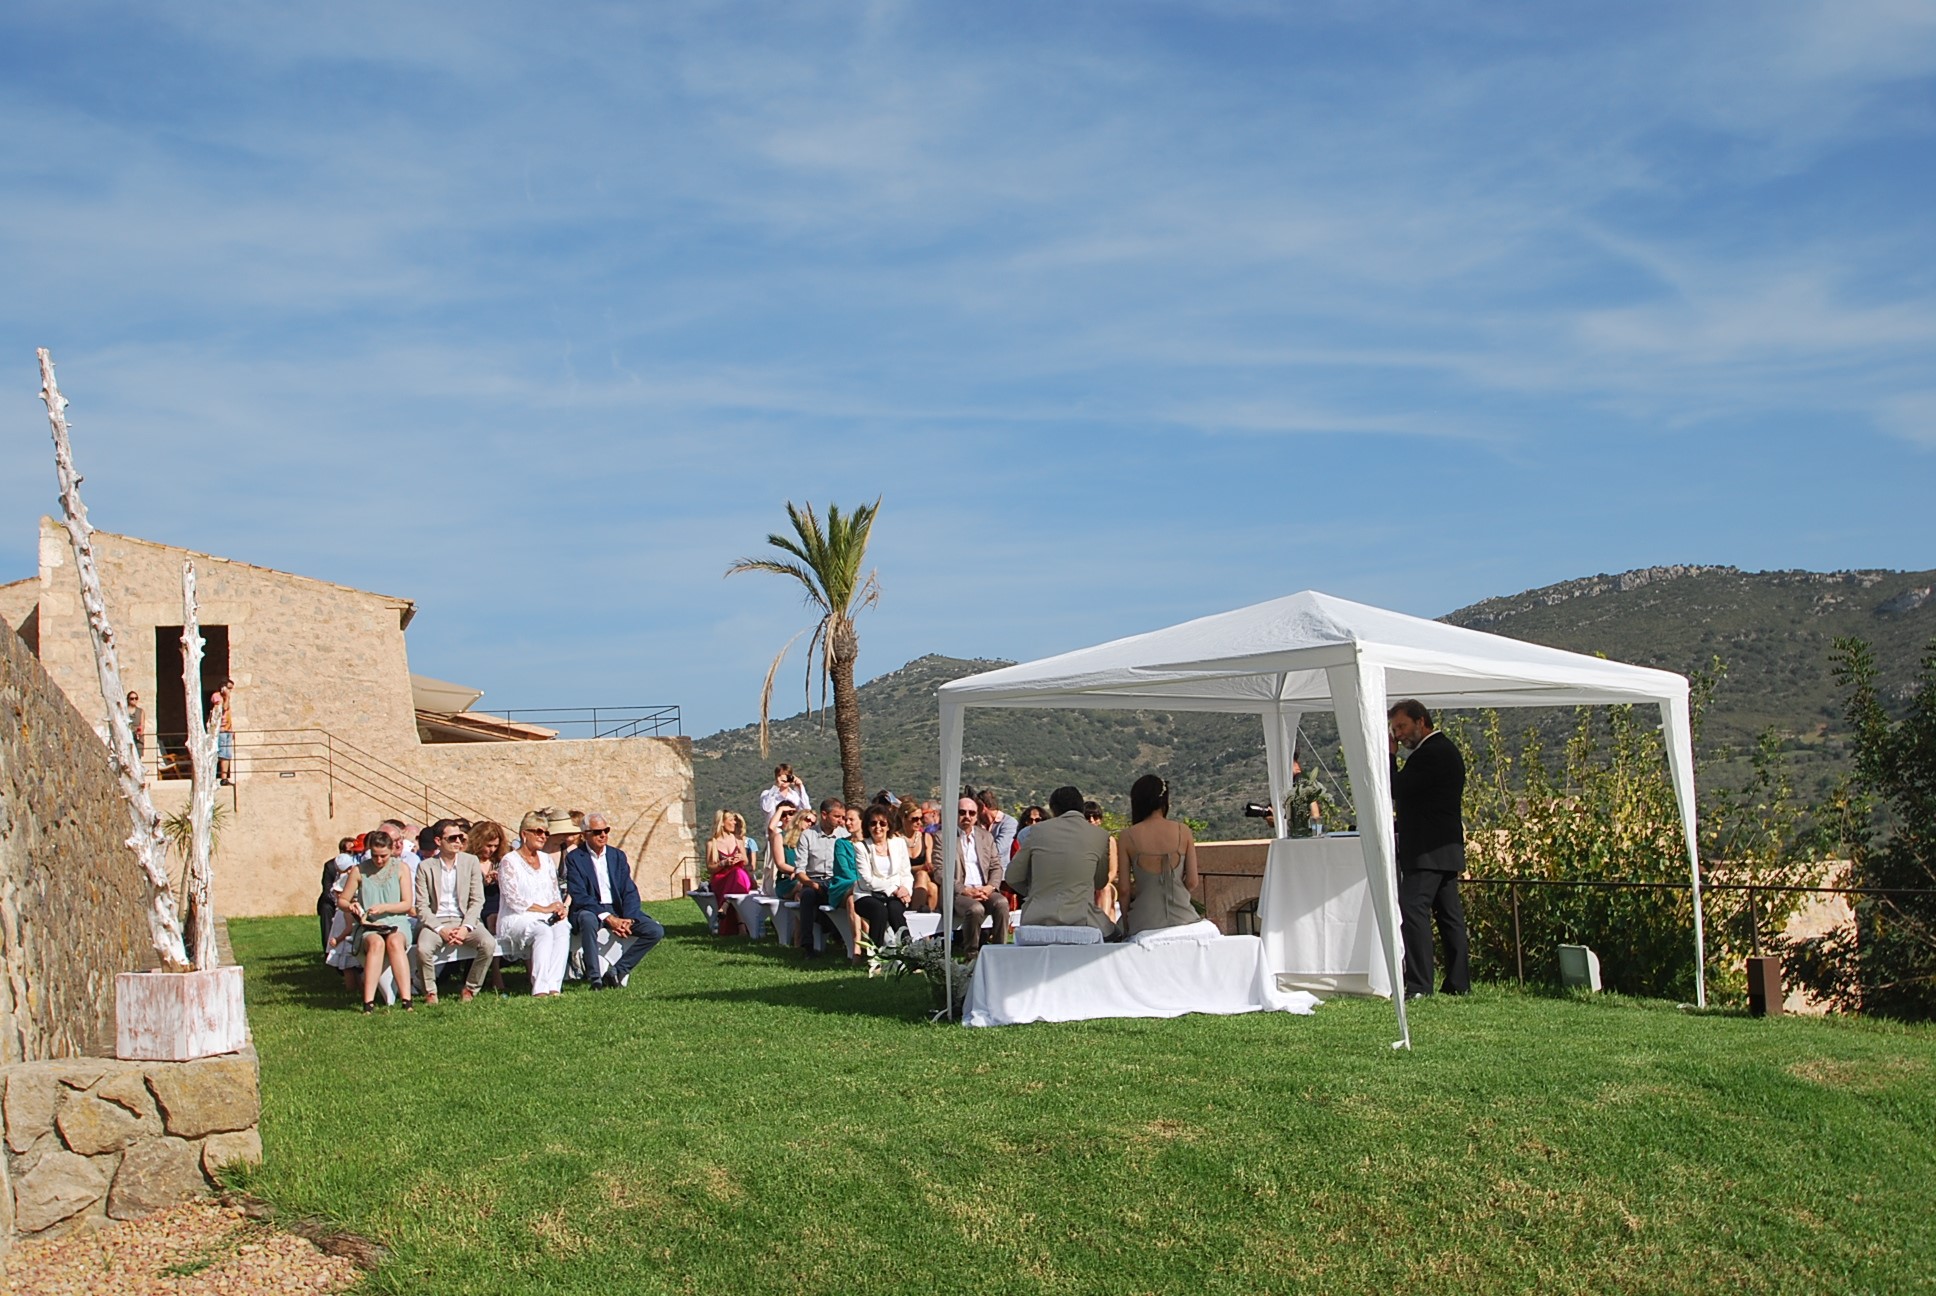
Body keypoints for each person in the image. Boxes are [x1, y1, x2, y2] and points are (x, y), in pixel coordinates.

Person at [1389, 699, 1470, 998]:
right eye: (1395, 729)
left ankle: (1420, 984)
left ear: (1421, 721)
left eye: (1402, 726)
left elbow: (1395, 789)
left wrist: (1389, 756)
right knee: (1449, 917)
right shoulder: (1446, 750)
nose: (1398, 734)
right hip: (1444, 848)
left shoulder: (1430, 755)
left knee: (1413, 911)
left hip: (1426, 850)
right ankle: (1458, 983)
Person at [564, 811, 665, 988]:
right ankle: (595, 978)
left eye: (606, 830)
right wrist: (608, 918)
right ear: (586, 834)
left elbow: (629, 889)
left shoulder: (617, 856)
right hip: (591, 909)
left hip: (618, 909)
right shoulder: (574, 858)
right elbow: (579, 894)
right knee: (587, 920)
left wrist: (629, 918)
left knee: (654, 930)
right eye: (597, 832)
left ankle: (617, 971)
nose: (603, 835)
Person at [1009, 785, 1116, 936]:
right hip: (1082, 919)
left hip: (1038, 918)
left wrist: (1035, 891)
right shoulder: (1100, 835)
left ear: (1053, 810)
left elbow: (1012, 877)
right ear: (1080, 808)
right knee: (1115, 934)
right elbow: (1099, 882)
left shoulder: (1036, 831)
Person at [413, 819, 495, 1003]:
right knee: (423, 948)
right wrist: (440, 929)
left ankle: (470, 989)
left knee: (489, 944)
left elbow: (477, 899)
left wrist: (466, 927)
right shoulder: (425, 867)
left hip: (464, 919)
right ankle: (430, 992)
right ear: (438, 841)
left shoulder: (470, 861)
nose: (458, 841)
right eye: (452, 838)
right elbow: (422, 906)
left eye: (460, 837)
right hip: (436, 921)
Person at [1113, 776, 1200, 937]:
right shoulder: (1183, 831)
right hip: (1183, 918)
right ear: (1164, 801)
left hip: (1143, 921)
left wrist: (1126, 922)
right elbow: (1192, 882)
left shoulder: (1127, 836)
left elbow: (1124, 889)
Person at [498, 811, 571, 996]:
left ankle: (554, 986)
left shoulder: (546, 860)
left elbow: (554, 893)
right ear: (524, 834)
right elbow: (513, 900)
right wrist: (545, 909)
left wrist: (560, 908)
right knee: (543, 930)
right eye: (538, 832)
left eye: (546, 833)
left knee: (563, 927)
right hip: (516, 917)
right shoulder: (509, 861)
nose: (543, 836)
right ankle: (540, 988)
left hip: (545, 915)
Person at [341, 829, 415, 1012]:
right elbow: (342, 899)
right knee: (375, 943)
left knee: (395, 941)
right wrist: (350, 906)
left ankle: (407, 999)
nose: (379, 860)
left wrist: (385, 907)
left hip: (396, 921)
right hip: (369, 924)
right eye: (375, 855)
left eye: (383, 856)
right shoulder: (360, 870)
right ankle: (369, 1001)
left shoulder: (401, 868)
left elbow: (407, 904)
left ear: (391, 851)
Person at [952, 794, 1009, 954]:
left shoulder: (985, 837)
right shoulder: (944, 837)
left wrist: (990, 887)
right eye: (962, 812)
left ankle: (999, 952)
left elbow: (996, 867)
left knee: (1002, 904)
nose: (967, 817)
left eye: (971, 813)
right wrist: (965, 890)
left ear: (977, 816)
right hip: (959, 893)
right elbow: (940, 872)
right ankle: (972, 955)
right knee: (976, 909)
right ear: (955, 814)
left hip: (985, 890)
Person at [788, 799, 845, 953]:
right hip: (814, 879)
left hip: (836, 880)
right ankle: (808, 944)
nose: (841, 821)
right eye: (837, 816)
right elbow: (800, 869)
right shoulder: (808, 836)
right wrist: (811, 884)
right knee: (807, 896)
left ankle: (838, 934)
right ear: (824, 815)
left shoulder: (844, 835)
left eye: (842, 817)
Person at [854, 803, 912, 946]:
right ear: (867, 826)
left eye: (882, 823)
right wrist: (894, 889)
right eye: (873, 823)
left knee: (894, 910)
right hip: (867, 894)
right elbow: (867, 881)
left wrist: (906, 890)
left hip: (897, 894)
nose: (878, 827)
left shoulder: (899, 843)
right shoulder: (860, 847)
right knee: (879, 911)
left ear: (888, 825)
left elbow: (906, 873)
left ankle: (910, 952)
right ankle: (875, 957)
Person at [468, 819, 512, 995]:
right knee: (493, 919)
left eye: (495, 846)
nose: (491, 850)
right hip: (479, 904)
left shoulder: (500, 861)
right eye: (488, 846)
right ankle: (496, 975)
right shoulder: (469, 861)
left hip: (498, 900)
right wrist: (483, 882)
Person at [704, 811, 756, 936]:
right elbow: (710, 868)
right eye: (731, 820)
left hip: (738, 876)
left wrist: (739, 858)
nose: (734, 823)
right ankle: (742, 927)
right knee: (737, 874)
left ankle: (726, 903)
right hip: (722, 877)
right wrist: (724, 863)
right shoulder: (712, 843)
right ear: (722, 823)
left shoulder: (738, 840)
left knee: (738, 872)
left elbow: (746, 861)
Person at [901, 802, 938, 912]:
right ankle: (921, 921)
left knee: (922, 875)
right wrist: (921, 867)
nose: (919, 822)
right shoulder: (896, 839)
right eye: (914, 819)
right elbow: (899, 869)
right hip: (902, 879)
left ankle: (917, 916)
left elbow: (928, 865)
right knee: (932, 888)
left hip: (922, 878)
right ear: (903, 818)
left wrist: (926, 867)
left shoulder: (926, 837)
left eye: (921, 819)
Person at [977, 789, 1018, 862]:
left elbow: (999, 849)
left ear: (982, 807)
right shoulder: (978, 824)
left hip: (1000, 871)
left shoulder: (1009, 823)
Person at [212, 679, 235, 785]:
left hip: (227, 729)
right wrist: (227, 696)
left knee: (227, 754)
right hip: (220, 730)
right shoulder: (217, 696)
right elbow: (224, 708)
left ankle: (224, 778)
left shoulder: (226, 698)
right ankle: (212, 775)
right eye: (228, 688)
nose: (230, 691)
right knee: (220, 753)